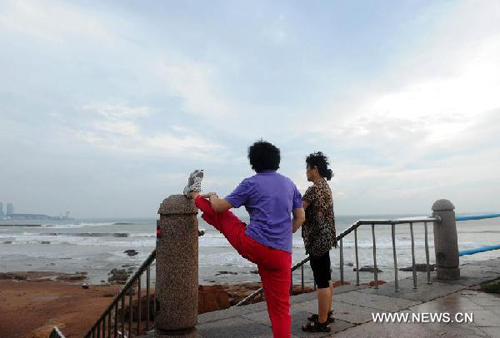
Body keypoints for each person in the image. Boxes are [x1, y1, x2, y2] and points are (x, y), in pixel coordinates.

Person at [183, 140, 305, 338]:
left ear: (253, 163)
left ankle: (193, 193)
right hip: (282, 254)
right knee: (280, 308)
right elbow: (301, 217)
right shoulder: (290, 184)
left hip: (254, 245)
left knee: (225, 217)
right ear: (277, 161)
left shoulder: (251, 183)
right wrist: (284, 234)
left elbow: (220, 207)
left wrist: (212, 195)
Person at [298, 152, 337, 332]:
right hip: (327, 238)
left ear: (315, 169)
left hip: (317, 241)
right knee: (326, 277)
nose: (305, 171)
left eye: (307, 168)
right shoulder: (325, 187)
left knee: (321, 281)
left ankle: (322, 323)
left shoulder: (313, 190)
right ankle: (326, 313)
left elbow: (299, 211)